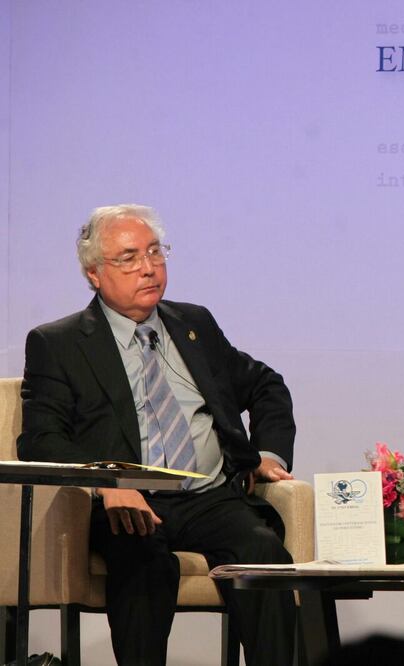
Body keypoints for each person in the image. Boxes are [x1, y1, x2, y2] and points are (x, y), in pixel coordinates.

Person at [18, 205, 297, 666]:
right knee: (145, 564)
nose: (148, 268)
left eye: (154, 252)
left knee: (262, 552)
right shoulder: (58, 343)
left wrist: (265, 453)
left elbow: (265, 384)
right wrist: (109, 482)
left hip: (210, 496)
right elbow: (40, 440)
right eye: (128, 258)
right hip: (130, 503)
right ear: (94, 274)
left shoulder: (194, 325)